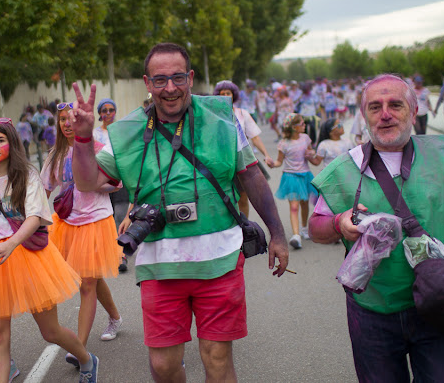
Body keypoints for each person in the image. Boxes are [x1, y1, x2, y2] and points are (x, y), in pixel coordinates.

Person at [68, 43, 289, 382]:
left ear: (190, 77)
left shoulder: (222, 118)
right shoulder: (127, 131)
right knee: (164, 367)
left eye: (176, 78)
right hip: (161, 264)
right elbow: (87, 183)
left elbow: (252, 174)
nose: (169, 88)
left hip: (221, 259)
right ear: (147, 82)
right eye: (159, 80)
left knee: (217, 359)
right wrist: (82, 140)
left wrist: (277, 234)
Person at [308, 74, 444, 382]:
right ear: (364, 115)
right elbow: (316, 227)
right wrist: (339, 222)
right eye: (375, 107)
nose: (385, 114)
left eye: (395, 105)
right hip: (372, 311)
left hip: (439, 304)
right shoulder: (342, 169)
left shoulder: (443, 154)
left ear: (413, 112)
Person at [0, 118, 99, 383]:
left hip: (28, 257)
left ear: (12, 142)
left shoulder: (27, 175)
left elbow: (34, 217)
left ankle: (87, 359)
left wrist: (10, 243)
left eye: (0, 140)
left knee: (50, 331)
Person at [41, 103, 124, 361]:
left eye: (71, 118)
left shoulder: (96, 149)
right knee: (93, 280)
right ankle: (115, 317)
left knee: (87, 283)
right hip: (66, 225)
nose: (67, 123)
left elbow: (117, 183)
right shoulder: (55, 155)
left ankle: (80, 349)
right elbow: (42, 192)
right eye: (62, 119)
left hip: (96, 222)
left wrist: (97, 184)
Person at [213, 80, 274, 218]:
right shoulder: (213, 116)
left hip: (242, 161)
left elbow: (255, 137)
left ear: (233, 95)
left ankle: (244, 229)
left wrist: (266, 154)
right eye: (222, 94)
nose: (225, 96)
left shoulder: (242, 113)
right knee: (223, 199)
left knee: (243, 198)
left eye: (228, 93)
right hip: (222, 162)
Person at [268, 113, 319, 250]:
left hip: (305, 175)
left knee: (304, 204)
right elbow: (279, 161)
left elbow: (310, 154)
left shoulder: (305, 138)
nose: (305, 126)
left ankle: (303, 228)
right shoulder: (284, 143)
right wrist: (273, 163)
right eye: (302, 124)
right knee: (294, 206)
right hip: (291, 177)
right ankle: (296, 236)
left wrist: (312, 154)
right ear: (294, 127)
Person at [93, 98, 130, 272]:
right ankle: (108, 252)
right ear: (99, 114)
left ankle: (121, 254)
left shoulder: (121, 131)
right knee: (106, 220)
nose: (108, 113)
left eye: (111, 110)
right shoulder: (93, 134)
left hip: (121, 180)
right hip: (101, 183)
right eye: (104, 110)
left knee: (120, 217)